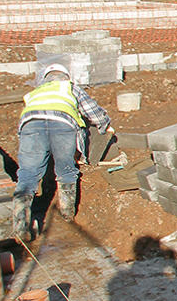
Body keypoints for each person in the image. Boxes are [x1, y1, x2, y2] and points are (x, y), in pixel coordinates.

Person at [13, 65, 111, 239]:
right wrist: (104, 127)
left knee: (28, 174)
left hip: (31, 126)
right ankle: (67, 214)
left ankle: (21, 226)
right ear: (66, 77)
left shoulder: (35, 92)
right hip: (62, 125)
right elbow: (93, 112)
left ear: (46, 79)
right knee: (66, 170)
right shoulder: (69, 87)